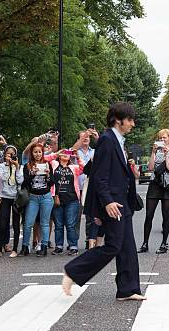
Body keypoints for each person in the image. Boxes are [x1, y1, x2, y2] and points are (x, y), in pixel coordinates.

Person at [62, 102, 144, 301]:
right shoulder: (107, 140)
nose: (133, 124)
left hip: (122, 201)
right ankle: (73, 271)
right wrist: (106, 202)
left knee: (127, 246)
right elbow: (99, 176)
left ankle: (128, 289)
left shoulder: (117, 140)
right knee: (114, 246)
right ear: (118, 120)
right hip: (113, 203)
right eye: (130, 119)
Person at [138, 129, 169, 254]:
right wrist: (153, 152)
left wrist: (166, 155)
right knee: (149, 215)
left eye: (164, 138)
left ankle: (164, 243)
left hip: (167, 186)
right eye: (160, 138)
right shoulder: (156, 152)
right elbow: (150, 167)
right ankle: (145, 243)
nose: (162, 140)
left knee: (166, 216)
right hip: (155, 184)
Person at [0, 145, 23, 258]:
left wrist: (16, 167)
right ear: (4, 155)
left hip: (16, 198)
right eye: (8, 154)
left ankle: (14, 249)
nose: (10, 156)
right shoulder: (1, 166)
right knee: (2, 224)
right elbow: (3, 178)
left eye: (12, 154)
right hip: (4, 197)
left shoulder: (19, 167)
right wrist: (8, 166)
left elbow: (20, 180)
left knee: (16, 224)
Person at [21, 143, 54, 256]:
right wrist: (31, 174)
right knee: (28, 223)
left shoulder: (47, 164)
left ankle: (43, 246)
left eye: (39, 152)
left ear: (42, 153)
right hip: (33, 197)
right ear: (32, 153)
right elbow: (24, 183)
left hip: (46, 197)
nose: (38, 154)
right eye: (35, 152)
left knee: (45, 223)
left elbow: (52, 183)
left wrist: (48, 175)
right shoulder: (28, 165)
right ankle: (25, 246)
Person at [51, 149, 84, 256]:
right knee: (59, 224)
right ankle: (59, 246)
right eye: (63, 153)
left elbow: (83, 168)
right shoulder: (54, 164)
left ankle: (73, 246)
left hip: (72, 199)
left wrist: (78, 156)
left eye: (67, 154)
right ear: (60, 156)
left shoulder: (73, 167)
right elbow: (46, 158)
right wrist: (56, 153)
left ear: (70, 157)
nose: (65, 155)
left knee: (70, 224)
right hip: (58, 199)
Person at [72, 129, 98, 249]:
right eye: (83, 137)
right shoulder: (76, 152)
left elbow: (105, 147)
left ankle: (89, 240)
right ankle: (74, 243)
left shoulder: (94, 151)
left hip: (90, 188)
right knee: (76, 217)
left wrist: (97, 137)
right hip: (77, 188)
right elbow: (72, 150)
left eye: (88, 136)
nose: (86, 138)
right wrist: (84, 136)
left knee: (90, 217)